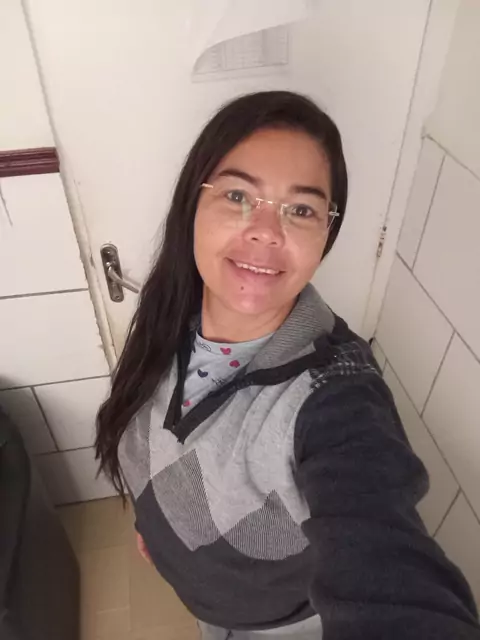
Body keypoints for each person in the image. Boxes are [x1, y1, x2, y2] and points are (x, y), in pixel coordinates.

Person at [95, 91, 480, 639]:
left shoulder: (335, 398)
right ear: (193, 205)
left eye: (301, 209)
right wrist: (154, 524)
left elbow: (382, 549)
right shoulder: (172, 309)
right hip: (205, 602)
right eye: (237, 195)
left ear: (326, 233)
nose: (267, 231)